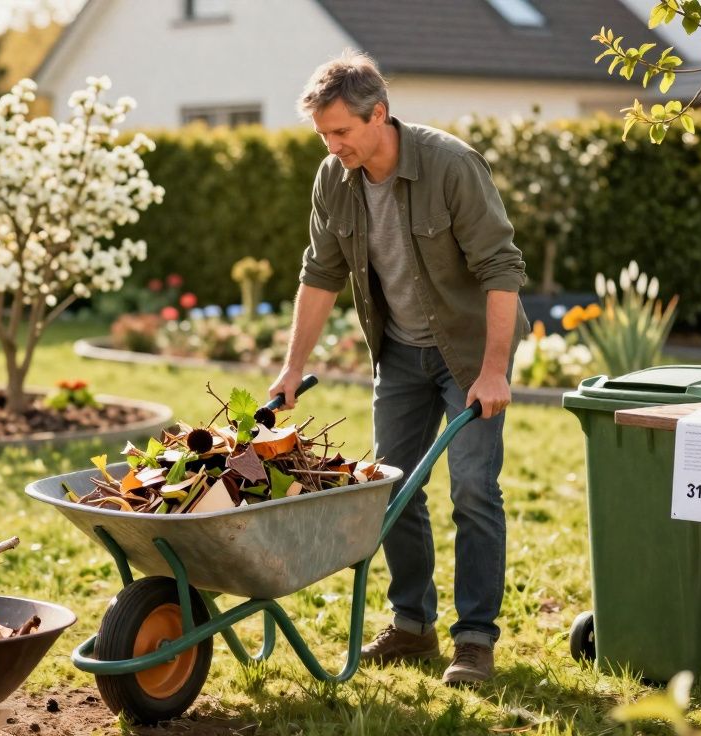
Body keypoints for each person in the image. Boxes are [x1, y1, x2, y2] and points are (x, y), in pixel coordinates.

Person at [268, 50, 529, 685]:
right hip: (400, 355)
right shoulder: (334, 178)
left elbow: (502, 269)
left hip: (469, 353)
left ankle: (474, 640)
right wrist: (289, 368)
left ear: (378, 114)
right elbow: (320, 273)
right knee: (392, 487)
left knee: (472, 489)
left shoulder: (450, 166)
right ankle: (413, 623)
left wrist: (493, 372)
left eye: (341, 132)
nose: (332, 147)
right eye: (323, 134)